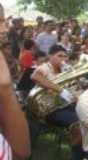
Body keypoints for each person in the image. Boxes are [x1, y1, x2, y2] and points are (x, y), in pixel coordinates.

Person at [0, 32, 30, 160]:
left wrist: (7, 88)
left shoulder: (12, 59)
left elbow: (19, 155)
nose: (8, 50)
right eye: (6, 48)